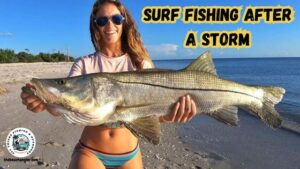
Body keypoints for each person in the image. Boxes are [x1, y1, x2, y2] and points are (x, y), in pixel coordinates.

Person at [20, 0, 197, 168]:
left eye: (116, 19)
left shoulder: (141, 64)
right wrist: (43, 102)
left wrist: (170, 116)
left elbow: (152, 115)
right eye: (102, 20)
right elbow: (63, 104)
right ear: (95, 24)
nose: (110, 25)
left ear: (124, 22)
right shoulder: (84, 63)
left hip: (130, 154)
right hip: (90, 152)